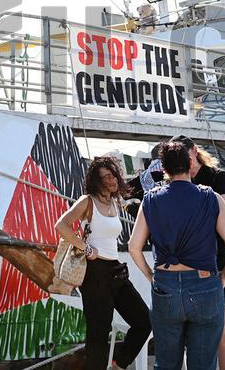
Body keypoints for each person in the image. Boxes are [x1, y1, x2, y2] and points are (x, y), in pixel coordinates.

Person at [128, 140, 225, 370]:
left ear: (164, 170)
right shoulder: (211, 197)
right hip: (205, 285)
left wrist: (151, 276)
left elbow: (133, 247)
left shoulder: (151, 199)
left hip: (165, 286)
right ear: (191, 162)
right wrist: (222, 279)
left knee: (166, 363)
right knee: (203, 364)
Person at [55, 155, 151, 369]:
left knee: (144, 321)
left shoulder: (115, 202)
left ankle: (118, 364)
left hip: (116, 270)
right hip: (95, 273)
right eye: (105, 177)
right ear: (96, 181)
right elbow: (61, 226)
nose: (112, 180)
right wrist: (86, 248)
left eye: (113, 175)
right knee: (98, 334)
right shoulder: (87, 201)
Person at [173, 134, 225, 368]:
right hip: (187, 266)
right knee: (193, 338)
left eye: (184, 156)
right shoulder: (176, 181)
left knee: (223, 336)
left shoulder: (216, 177)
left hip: (215, 262)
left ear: (194, 152)